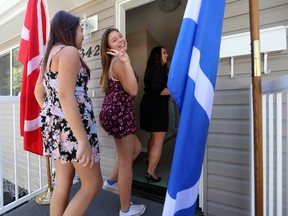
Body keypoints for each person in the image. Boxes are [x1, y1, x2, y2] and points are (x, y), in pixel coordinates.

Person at [34, 10, 102, 216]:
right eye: (81, 29)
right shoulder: (69, 52)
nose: (83, 34)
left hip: (57, 128)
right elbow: (65, 95)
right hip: (74, 127)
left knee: (62, 182)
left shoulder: (49, 56)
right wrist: (81, 139)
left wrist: (53, 116)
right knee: (93, 184)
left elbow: (39, 92)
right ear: (70, 29)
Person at [99, 28, 146, 216]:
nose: (120, 40)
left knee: (135, 148)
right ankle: (125, 210)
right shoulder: (118, 61)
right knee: (126, 163)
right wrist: (126, 61)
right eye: (114, 39)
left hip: (114, 113)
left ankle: (110, 182)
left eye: (120, 36)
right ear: (108, 47)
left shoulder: (115, 62)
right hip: (119, 114)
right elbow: (133, 90)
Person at [140, 46, 170, 183]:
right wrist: (175, 91)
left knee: (154, 136)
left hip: (149, 105)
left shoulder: (152, 68)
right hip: (156, 106)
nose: (167, 55)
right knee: (159, 140)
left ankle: (149, 161)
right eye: (164, 53)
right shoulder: (159, 68)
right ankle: (150, 172)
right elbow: (158, 89)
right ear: (157, 55)